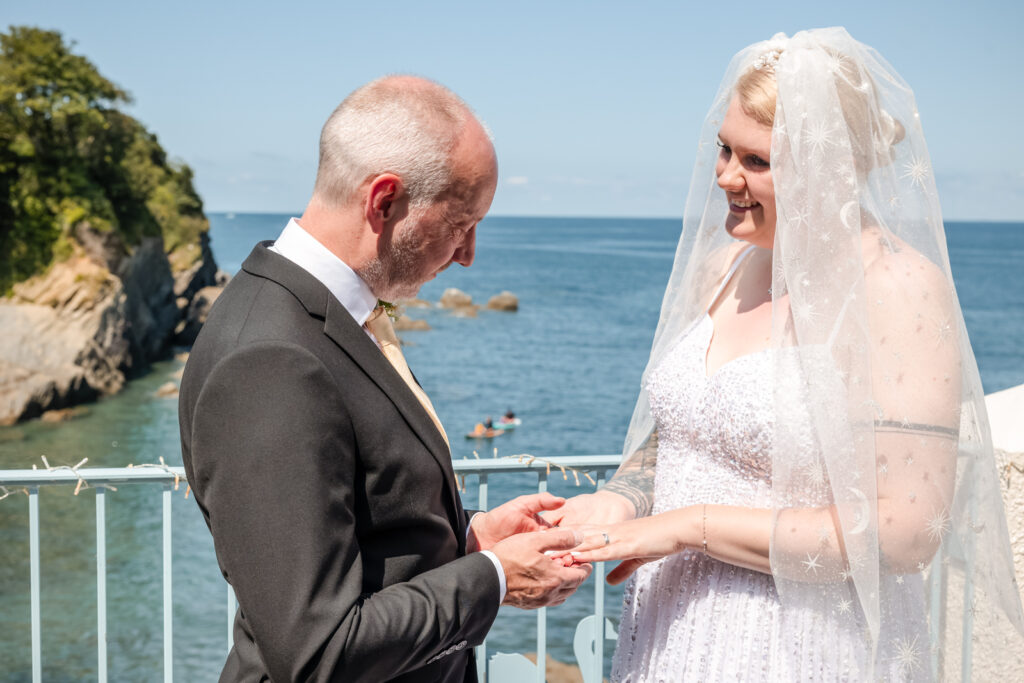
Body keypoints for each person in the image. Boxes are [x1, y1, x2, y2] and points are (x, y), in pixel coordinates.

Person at [555, 28, 1024, 680]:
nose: (724, 176)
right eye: (723, 149)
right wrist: (618, 502)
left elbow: (905, 531)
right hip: (672, 637)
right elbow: (681, 437)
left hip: (800, 645)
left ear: (826, 166)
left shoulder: (896, 288)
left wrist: (687, 527)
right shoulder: (723, 267)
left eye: (756, 160)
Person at [179, 76, 591, 682]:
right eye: (461, 223)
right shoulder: (269, 359)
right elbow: (320, 651)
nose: (469, 254)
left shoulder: (327, 315)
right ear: (384, 200)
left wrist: (468, 539)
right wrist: (495, 577)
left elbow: (362, 530)